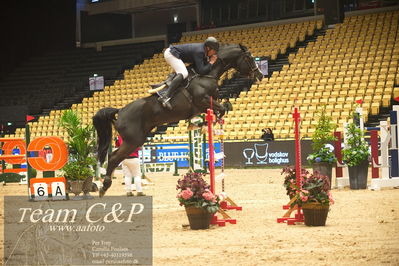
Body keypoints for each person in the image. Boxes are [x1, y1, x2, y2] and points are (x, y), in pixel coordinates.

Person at [151, 37, 219, 110]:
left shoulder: (203, 51)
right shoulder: (200, 51)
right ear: (208, 48)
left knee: (183, 71)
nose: (214, 53)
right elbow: (201, 71)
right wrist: (211, 62)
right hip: (171, 54)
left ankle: (169, 82)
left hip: (174, 54)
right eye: (214, 51)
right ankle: (165, 96)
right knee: (184, 73)